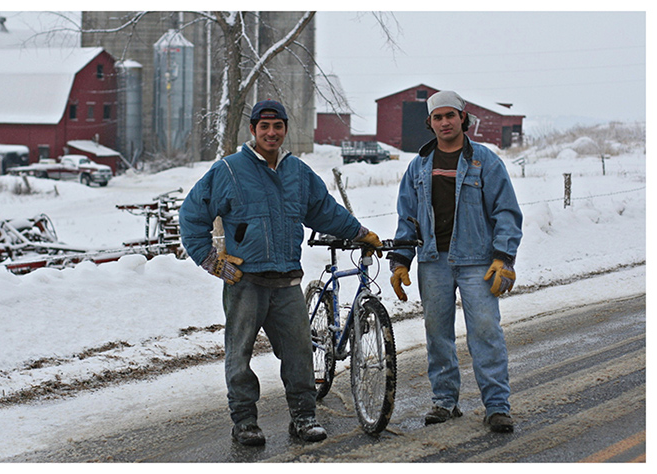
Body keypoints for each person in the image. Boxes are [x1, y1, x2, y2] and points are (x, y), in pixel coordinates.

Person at [179, 99, 383, 446]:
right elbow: (192, 214)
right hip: (245, 283)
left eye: (278, 127)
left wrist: (359, 232)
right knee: (239, 355)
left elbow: (324, 211)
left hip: (288, 281)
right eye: (264, 127)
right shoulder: (229, 170)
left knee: (299, 353)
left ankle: (303, 418)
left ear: (285, 129)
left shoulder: (298, 173)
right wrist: (210, 259)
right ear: (253, 130)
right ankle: (244, 422)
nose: (271, 133)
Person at [387, 91, 522, 433]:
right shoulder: (419, 166)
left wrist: (504, 257)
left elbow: (506, 212)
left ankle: (496, 406)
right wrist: (401, 259)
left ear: (463, 118)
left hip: (478, 261)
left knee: (486, 331)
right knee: (437, 333)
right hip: (433, 260)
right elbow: (408, 218)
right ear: (429, 123)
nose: (445, 122)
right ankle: (445, 401)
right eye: (438, 117)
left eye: (451, 115)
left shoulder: (485, 162)